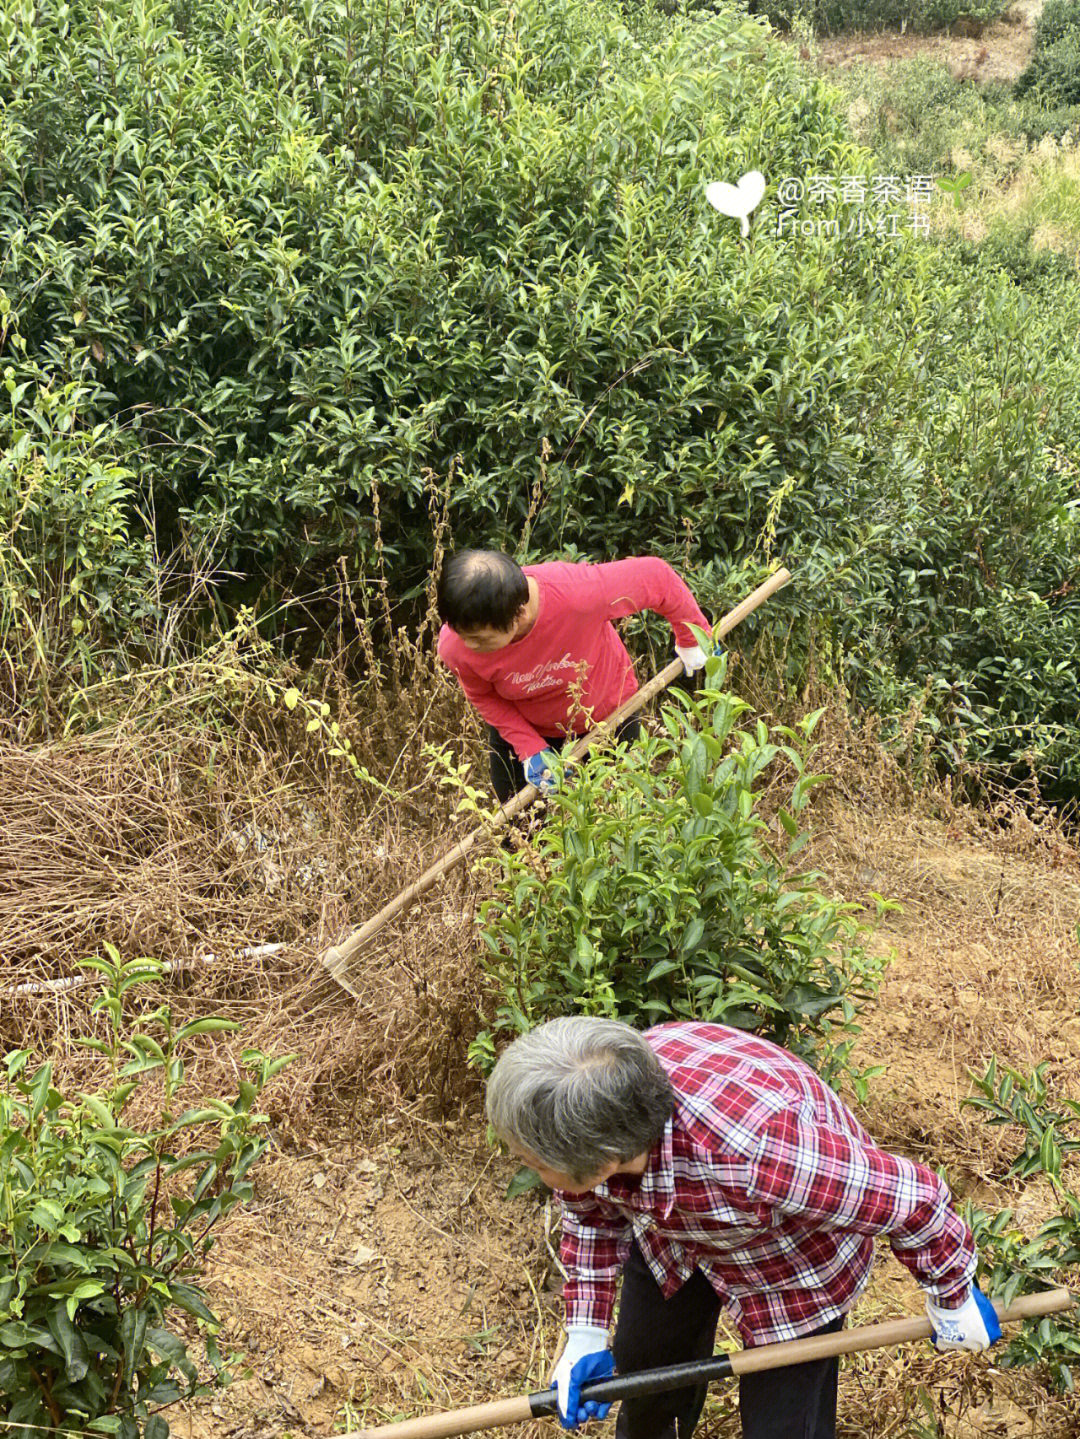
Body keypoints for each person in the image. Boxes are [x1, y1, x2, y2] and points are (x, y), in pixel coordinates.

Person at [485, 1017, 1002, 1439]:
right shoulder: (590, 1106)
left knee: (783, 1427)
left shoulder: (761, 1151)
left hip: (791, 1258)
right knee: (644, 1383)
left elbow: (915, 1201)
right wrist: (584, 1334)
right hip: (674, 1234)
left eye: (531, 1159)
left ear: (606, 1156)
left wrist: (952, 1296)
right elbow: (589, 1216)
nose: (526, 1165)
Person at [436, 551, 714, 804]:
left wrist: (693, 637)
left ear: (518, 614)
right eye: (461, 634)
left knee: (618, 814)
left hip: (608, 719)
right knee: (521, 830)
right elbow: (483, 695)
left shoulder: (577, 593)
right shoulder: (455, 645)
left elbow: (657, 577)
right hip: (525, 729)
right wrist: (529, 748)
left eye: (481, 639)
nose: (469, 646)